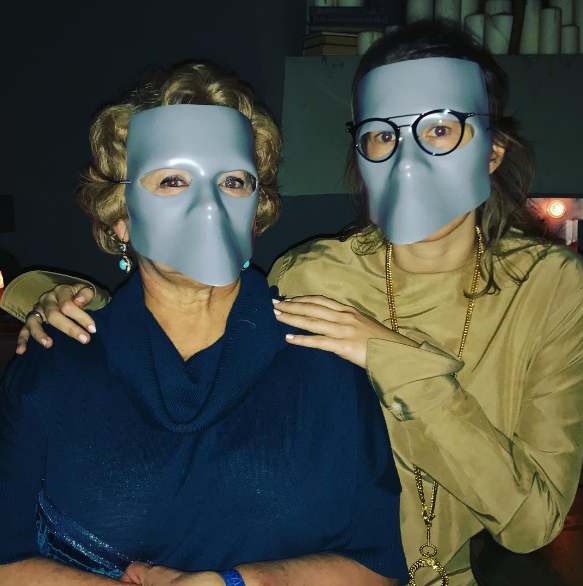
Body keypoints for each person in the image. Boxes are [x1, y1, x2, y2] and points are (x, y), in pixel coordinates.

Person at [7, 21, 583, 586]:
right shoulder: (315, 275)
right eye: (383, 135)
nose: (409, 160)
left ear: (493, 151)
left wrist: (389, 356)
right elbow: (198, 303)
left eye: (440, 129)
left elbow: (529, 523)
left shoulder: (552, 285)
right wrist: (59, 301)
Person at [0, 61, 408, 586]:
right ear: (120, 217)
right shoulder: (54, 366)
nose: (210, 206)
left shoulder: (324, 358)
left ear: (257, 209)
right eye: (173, 181)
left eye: (233, 181)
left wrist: (237, 584)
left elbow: (378, 564)